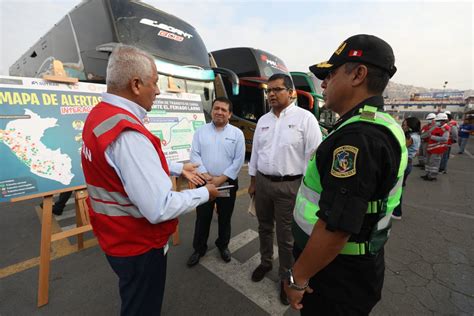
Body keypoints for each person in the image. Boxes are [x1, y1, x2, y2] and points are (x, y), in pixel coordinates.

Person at [81, 44, 219, 316]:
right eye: (154, 83)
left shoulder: (101, 115)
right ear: (135, 84)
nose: (158, 90)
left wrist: (179, 168)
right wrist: (206, 194)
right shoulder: (127, 133)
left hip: (115, 237)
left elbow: (127, 168)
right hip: (138, 246)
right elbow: (159, 207)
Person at [284, 34, 407, 315]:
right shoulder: (376, 124)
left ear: (358, 75)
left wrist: (297, 277)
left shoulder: (360, 137)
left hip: (335, 276)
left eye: (331, 74)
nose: (324, 83)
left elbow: (336, 226)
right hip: (351, 270)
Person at [248, 73, 322, 305]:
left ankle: (286, 279)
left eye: (277, 89)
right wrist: (252, 182)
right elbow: (256, 153)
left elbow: (314, 157)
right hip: (263, 183)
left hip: (290, 186)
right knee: (264, 227)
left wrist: (306, 189)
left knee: (287, 236)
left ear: (291, 92)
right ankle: (266, 262)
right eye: (268, 90)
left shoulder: (305, 119)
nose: (271, 94)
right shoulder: (263, 121)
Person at [187, 97, 245, 267]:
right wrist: (205, 175)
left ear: (230, 114)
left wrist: (220, 179)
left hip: (226, 183)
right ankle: (199, 248)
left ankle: (223, 245)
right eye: (216, 108)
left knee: (225, 217)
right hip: (204, 182)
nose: (219, 112)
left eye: (223, 110)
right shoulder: (200, 132)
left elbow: (238, 160)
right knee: (202, 217)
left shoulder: (237, 134)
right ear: (211, 111)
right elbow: (195, 155)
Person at [392, 117, 421, 220]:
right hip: (408, 163)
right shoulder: (416, 136)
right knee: (400, 187)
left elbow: (399, 147)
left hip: (404, 164)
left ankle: (397, 212)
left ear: (410, 127)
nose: (402, 127)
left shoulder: (411, 137)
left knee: (397, 188)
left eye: (404, 125)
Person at [421, 112, 450, 181]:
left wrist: (433, 137)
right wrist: (420, 136)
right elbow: (428, 133)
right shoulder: (436, 127)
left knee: (434, 163)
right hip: (431, 148)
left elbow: (445, 139)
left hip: (438, 150)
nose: (436, 122)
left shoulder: (446, 128)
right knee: (428, 162)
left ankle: (432, 176)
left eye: (438, 121)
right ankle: (428, 174)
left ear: (443, 121)